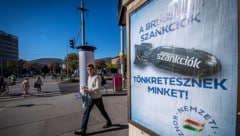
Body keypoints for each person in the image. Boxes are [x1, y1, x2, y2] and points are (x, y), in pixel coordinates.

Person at [74, 64, 112, 136]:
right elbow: (91, 86)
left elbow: (98, 87)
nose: (89, 71)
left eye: (90, 69)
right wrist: (86, 87)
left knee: (102, 111)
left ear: (93, 69)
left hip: (97, 98)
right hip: (91, 98)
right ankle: (83, 130)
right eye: (88, 69)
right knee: (86, 113)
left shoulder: (97, 77)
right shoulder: (89, 77)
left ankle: (109, 122)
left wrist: (88, 90)